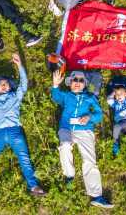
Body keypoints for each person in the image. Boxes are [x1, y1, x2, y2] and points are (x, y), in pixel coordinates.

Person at [0, 54, 46, 204]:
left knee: (24, 158)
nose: (4, 85)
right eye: (0, 84)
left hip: (14, 131)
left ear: (10, 86)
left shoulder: (15, 96)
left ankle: (33, 186)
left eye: (6, 84)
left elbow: (24, 84)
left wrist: (20, 66)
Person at [50, 70, 114, 209]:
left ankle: (96, 195)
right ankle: (69, 175)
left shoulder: (90, 97)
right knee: (65, 146)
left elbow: (99, 115)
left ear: (85, 84)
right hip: (66, 128)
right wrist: (55, 85)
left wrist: (89, 117)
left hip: (85, 130)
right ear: (70, 83)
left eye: (81, 80)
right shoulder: (66, 96)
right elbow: (56, 97)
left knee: (90, 160)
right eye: (75, 80)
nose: (78, 83)